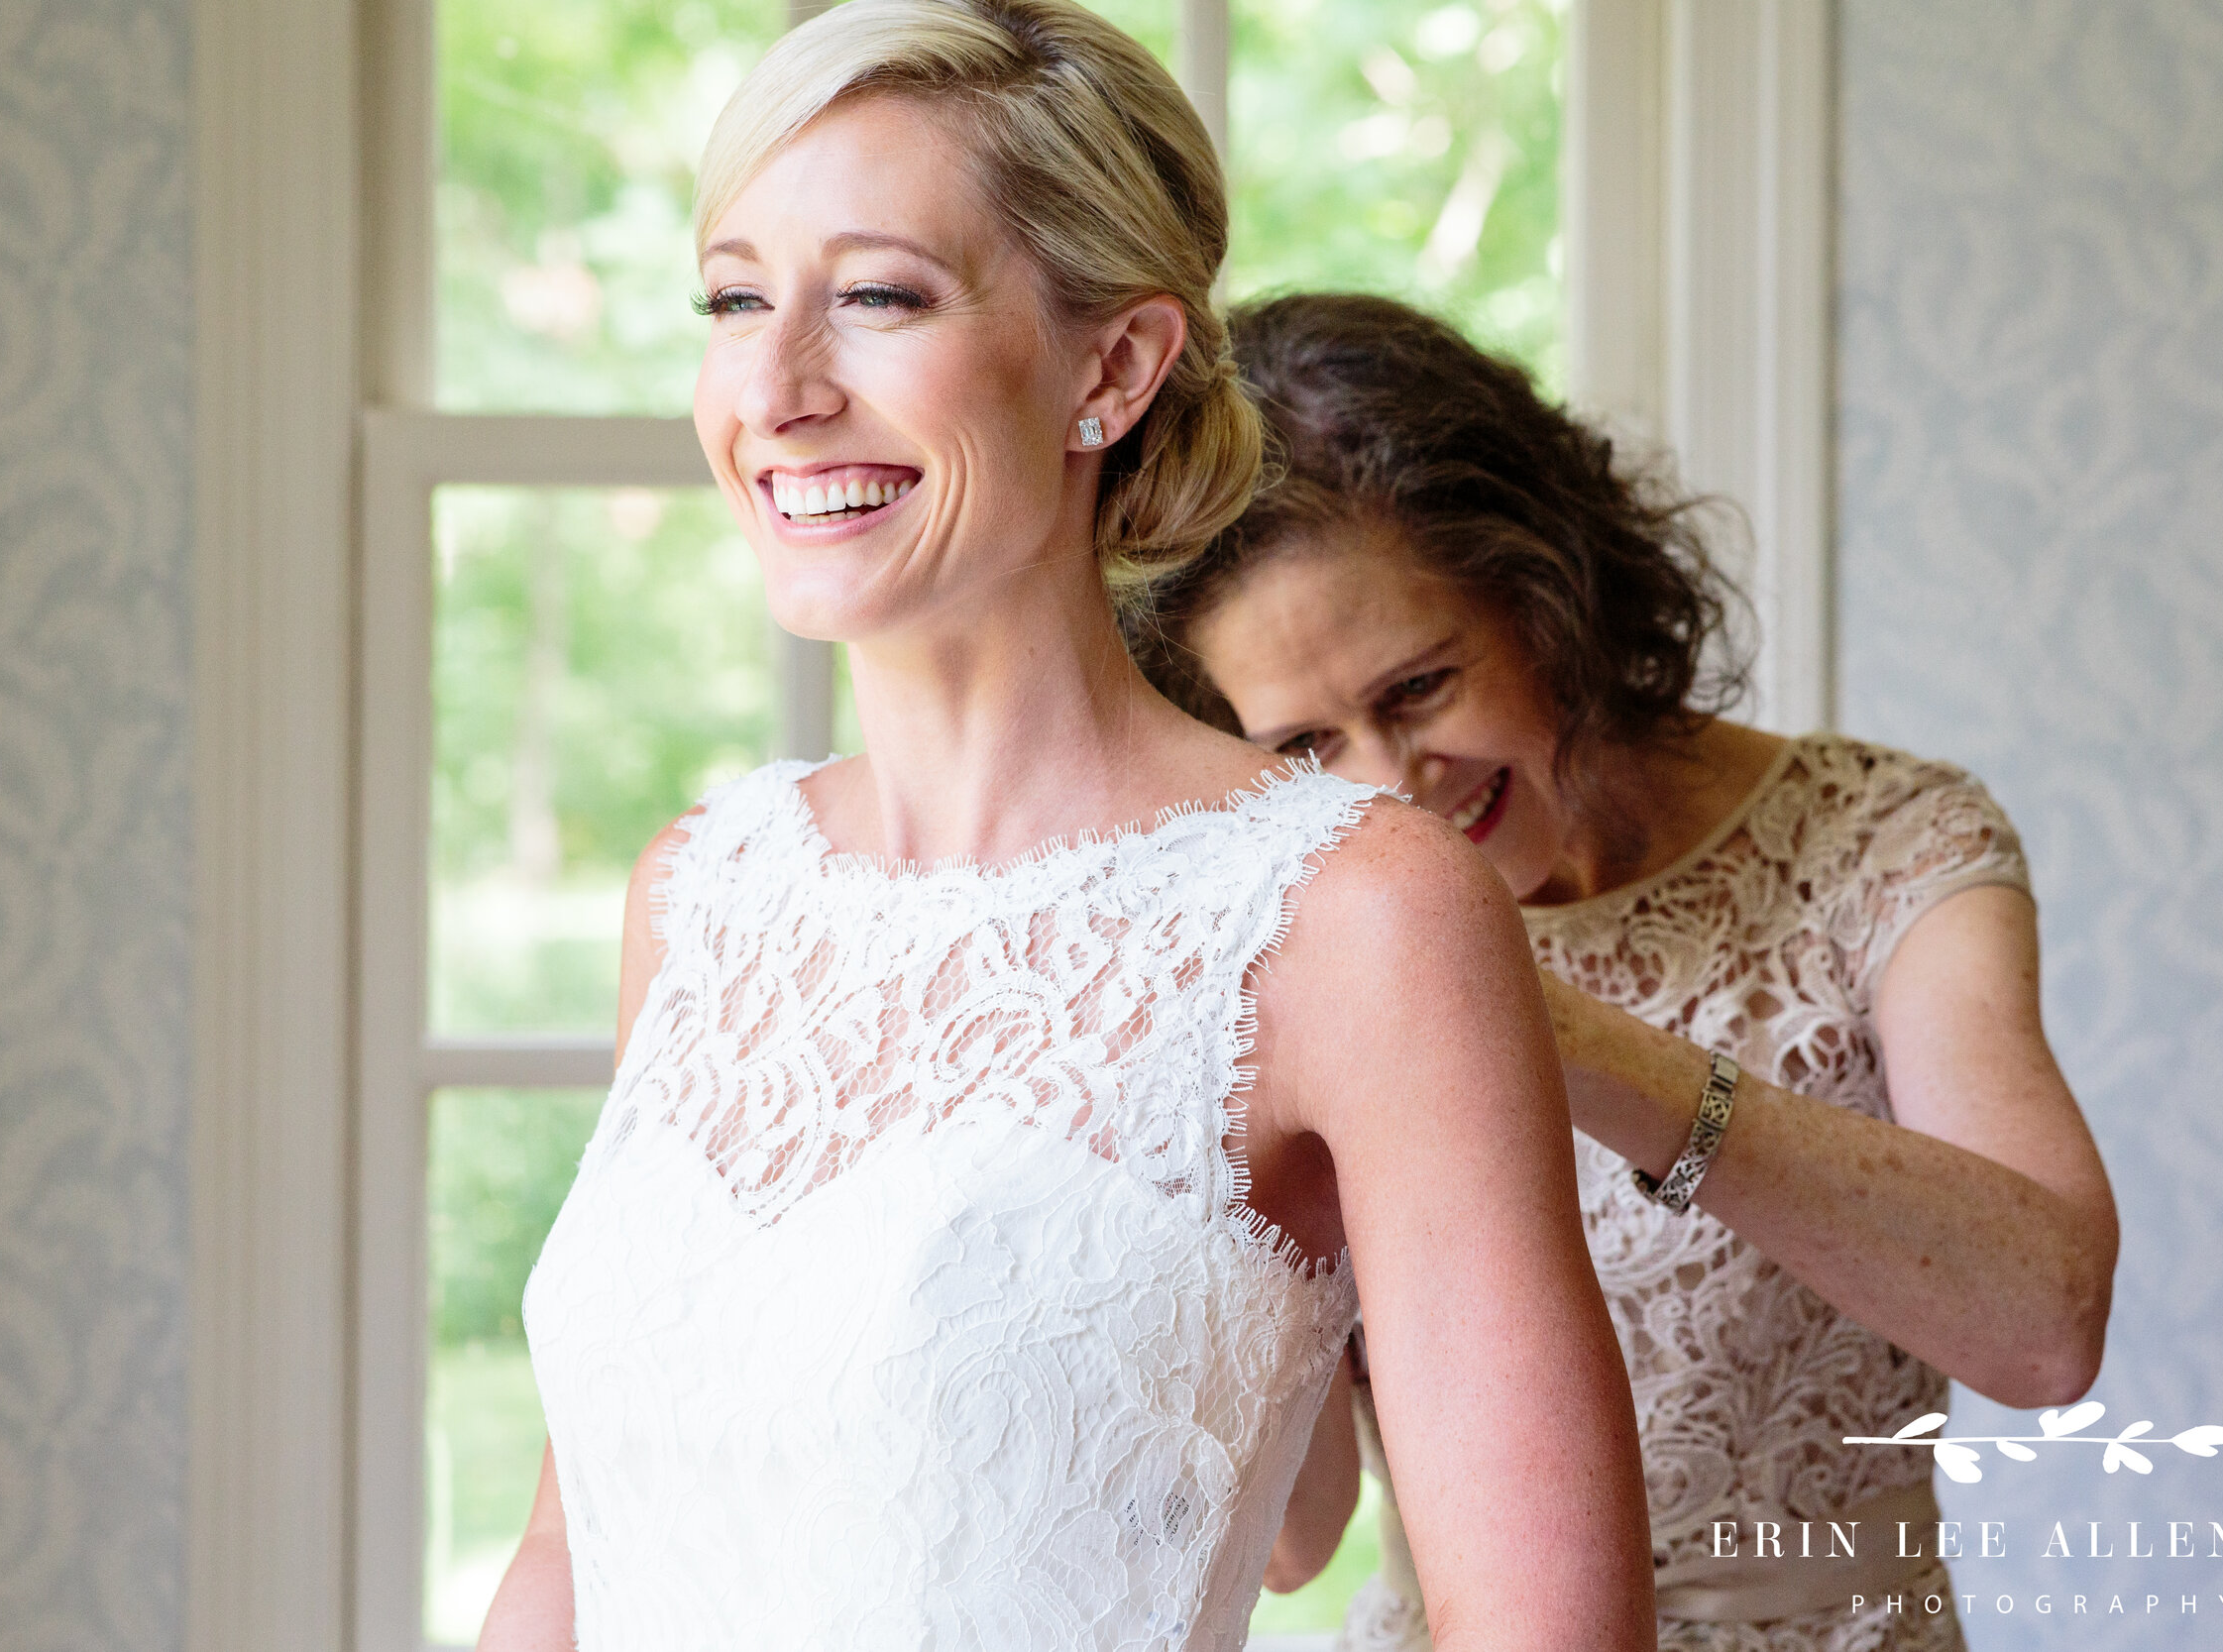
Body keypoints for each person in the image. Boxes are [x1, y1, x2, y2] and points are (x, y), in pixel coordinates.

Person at [475, 10, 1656, 1650]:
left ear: (1114, 367)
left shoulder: (1353, 913)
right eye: (737, 299)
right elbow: (570, 1556)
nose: (775, 387)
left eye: (877, 297)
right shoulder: (698, 895)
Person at [1126, 293, 2121, 1652]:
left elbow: (2044, 1327)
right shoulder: (1300, 940)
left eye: (1420, 688)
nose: (1392, 793)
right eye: (1304, 749)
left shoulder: (1886, 846)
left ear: (1552, 598)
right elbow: (1297, 1542)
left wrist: (1569, 1036)